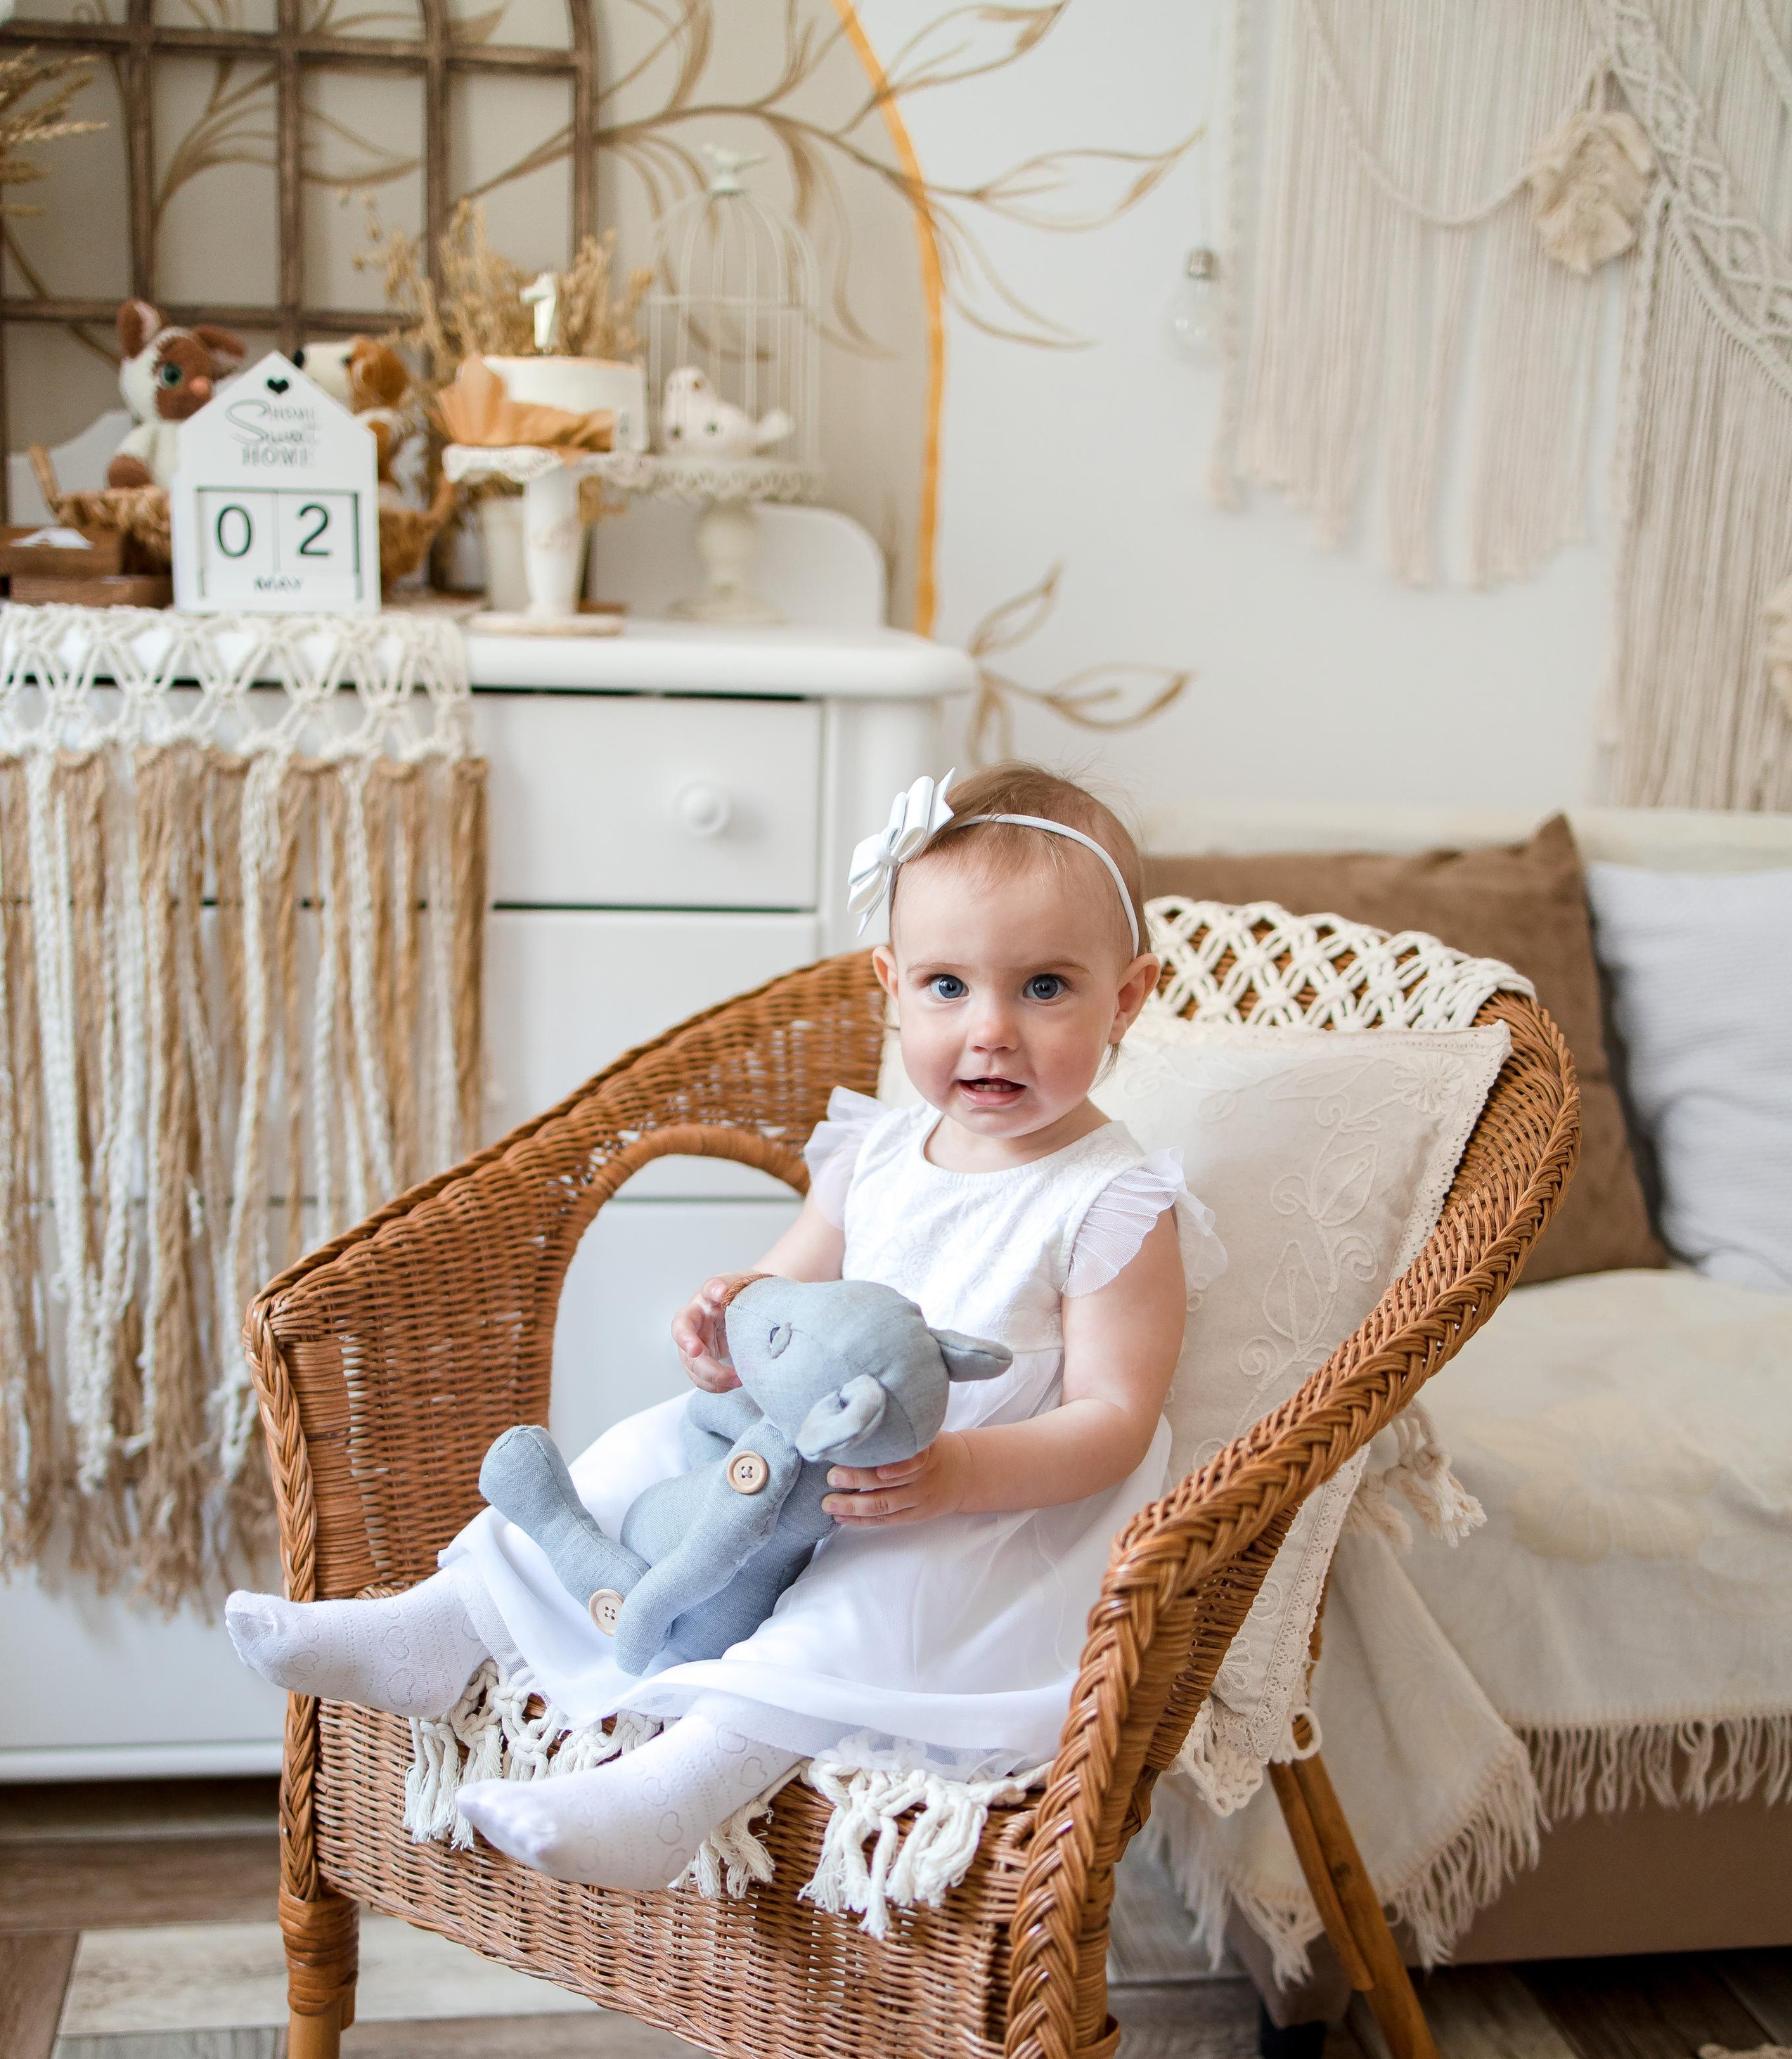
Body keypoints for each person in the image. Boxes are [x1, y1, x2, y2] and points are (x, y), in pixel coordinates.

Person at [225, 762, 1225, 1889]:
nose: (990, 1030)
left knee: (860, 1607)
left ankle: (675, 1793)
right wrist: (726, 1321)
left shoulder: (1110, 1200)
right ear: (892, 986)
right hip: (793, 1444)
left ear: (1128, 996)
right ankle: (437, 1626)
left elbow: (1115, 1418)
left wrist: (952, 1477)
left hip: (974, 1508)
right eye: (948, 986)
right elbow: (785, 1288)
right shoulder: (880, 1149)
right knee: (634, 1454)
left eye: (1045, 988)